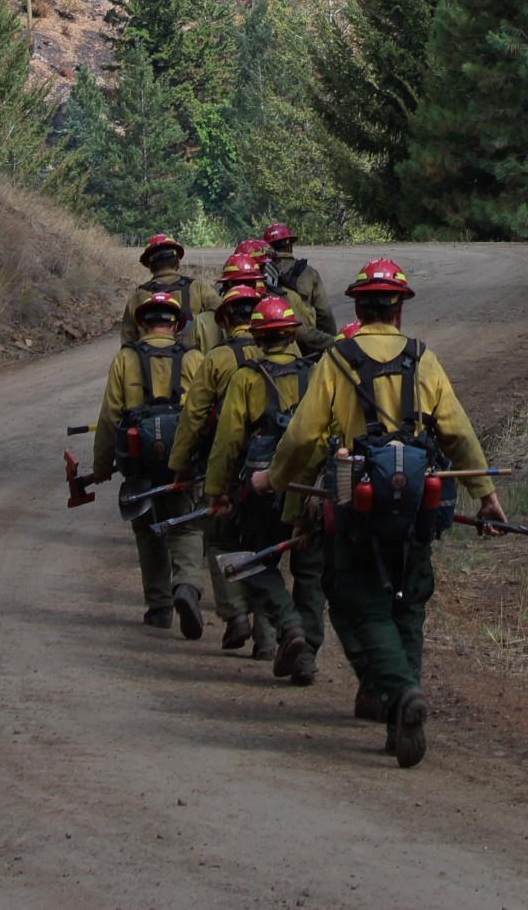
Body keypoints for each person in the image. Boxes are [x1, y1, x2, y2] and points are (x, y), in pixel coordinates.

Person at [251, 257, 507, 768]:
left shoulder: (337, 359)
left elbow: (302, 435)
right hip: (416, 505)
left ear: (359, 307)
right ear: (398, 311)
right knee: (408, 603)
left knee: (361, 601)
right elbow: (457, 433)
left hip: (355, 502)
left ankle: (403, 694)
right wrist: (485, 494)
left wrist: (273, 480)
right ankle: (397, 721)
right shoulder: (422, 359)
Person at [206, 297, 322, 687]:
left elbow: (226, 443)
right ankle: (305, 658)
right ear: (292, 335)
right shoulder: (316, 373)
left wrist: (217, 490)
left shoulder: (246, 378)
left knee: (255, 562)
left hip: (260, 490)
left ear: (256, 336)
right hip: (308, 489)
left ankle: (287, 625)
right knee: (309, 573)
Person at [168, 280, 275, 658]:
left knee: (220, 538)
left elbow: (192, 416)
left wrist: (180, 466)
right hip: (271, 469)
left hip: (227, 465)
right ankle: (266, 637)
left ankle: (236, 616)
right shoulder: (284, 353)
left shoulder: (216, 358)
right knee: (264, 546)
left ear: (226, 320)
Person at [93, 290, 207, 639]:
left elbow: (111, 416)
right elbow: (206, 412)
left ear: (142, 323)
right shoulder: (193, 359)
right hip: (182, 459)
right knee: (186, 527)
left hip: (139, 461)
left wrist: (101, 465)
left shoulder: (125, 358)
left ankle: (159, 608)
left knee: (146, 527)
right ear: (176, 324)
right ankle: (186, 586)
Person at [120, 232, 219, 346]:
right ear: (178, 262)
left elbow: (127, 344)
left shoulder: (137, 298)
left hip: (149, 362)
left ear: (150, 266)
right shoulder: (198, 288)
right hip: (194, 361)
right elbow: (221, 314)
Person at [263, 222, 336, 341]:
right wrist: (328, 342)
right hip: (306, 340)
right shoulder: (309, 272)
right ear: (290, 245)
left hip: (269, 340)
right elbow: (324, 313)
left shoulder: (260, 273)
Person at [190, 252, 266, 356]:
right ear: (255, 285)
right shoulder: (269, 318)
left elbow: (188, 362)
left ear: (225, 286)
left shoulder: (202, 322)